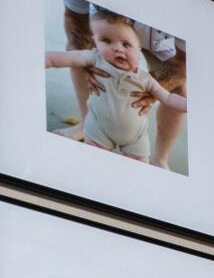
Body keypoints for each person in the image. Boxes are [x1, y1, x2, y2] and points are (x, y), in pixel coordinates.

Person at [44, 9, 181, 164]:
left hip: (135, 138)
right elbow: (56, 59)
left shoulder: (145, 78)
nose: (117, 48)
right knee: (93, 161)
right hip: (99, 130)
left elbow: (168, 98)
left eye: (126, 44)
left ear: (139, 49)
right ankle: (83, 129)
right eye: (106, 41)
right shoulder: (94, 58)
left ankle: (160, 159)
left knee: (139, 168)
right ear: (94, 41)